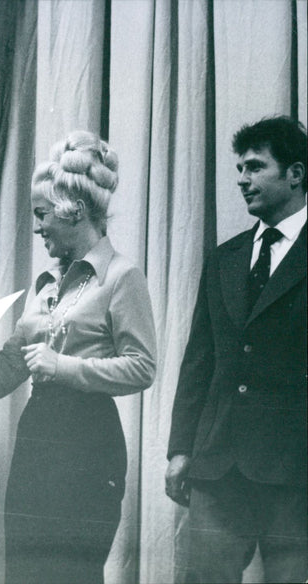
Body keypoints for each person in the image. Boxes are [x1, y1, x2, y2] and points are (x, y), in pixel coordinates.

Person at [0, 131, 157, 583]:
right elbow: (14, 360)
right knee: (24, 571)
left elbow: (143, 365)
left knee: (71, 574)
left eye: (41, 214)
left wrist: (63, 367)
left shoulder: (122, 276)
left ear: (74, 211)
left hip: (88, 441)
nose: (36, 226)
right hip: (38, 433)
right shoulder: (47, 282)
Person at [165, 116, 307, 583]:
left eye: (254, 167)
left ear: (296, 174)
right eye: (239, 169)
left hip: (296, 471)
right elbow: (199, 361)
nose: (242, 180)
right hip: (218, 467)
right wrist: (180, 449)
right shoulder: (224, 258)